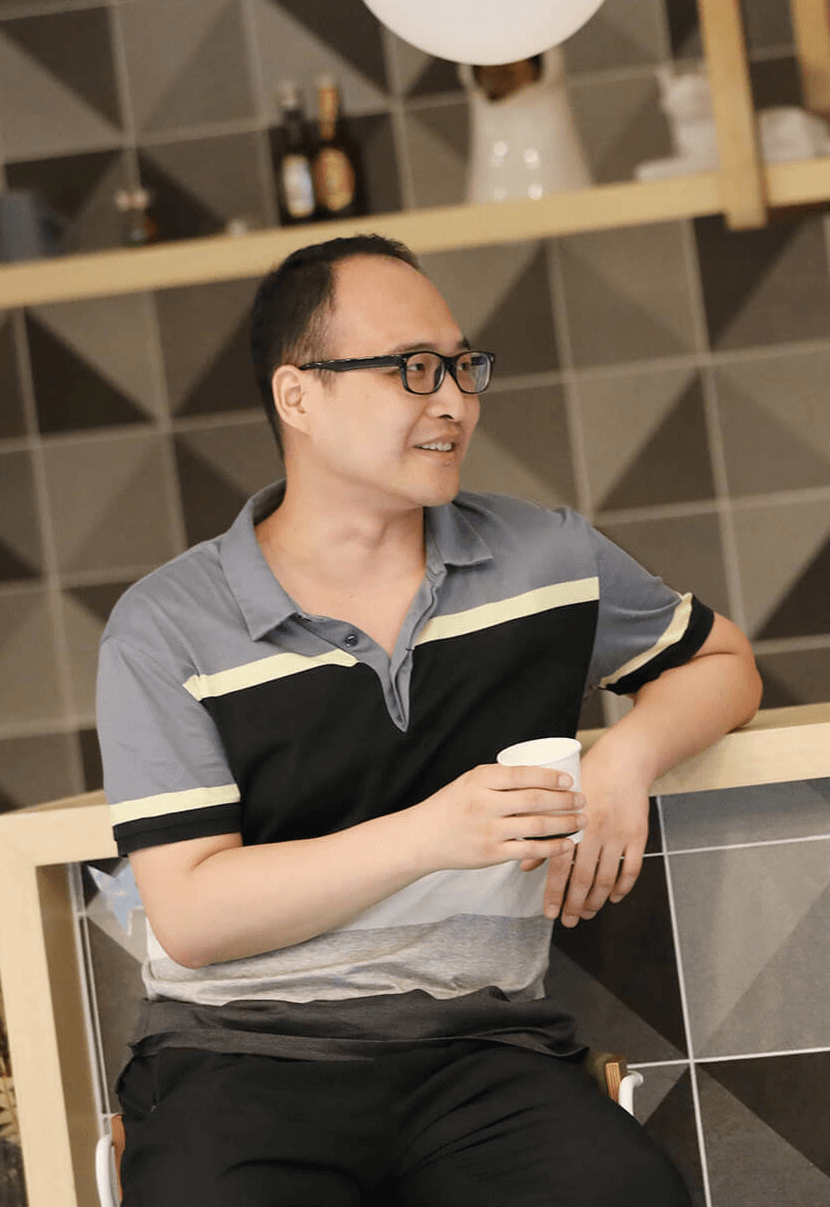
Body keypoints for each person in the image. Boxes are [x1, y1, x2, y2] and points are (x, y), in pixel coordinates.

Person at [95, 233, 761, 1206]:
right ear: (298, 396)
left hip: (482, 1050)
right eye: (412, 369)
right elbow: (192, 917)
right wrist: (428, 836)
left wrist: (626, 756)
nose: (453, 400)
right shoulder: (165, 624)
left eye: (460, 365)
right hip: (237, 1057)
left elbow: (723, 662)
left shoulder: (545, 559)